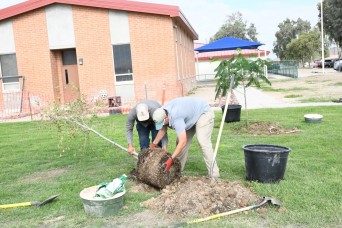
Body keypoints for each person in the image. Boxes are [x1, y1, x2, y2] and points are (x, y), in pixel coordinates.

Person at [151, 97, 219, 178]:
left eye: (162, 123)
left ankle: (214, 175)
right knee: (180, 144)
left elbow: (183, 141)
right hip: (190, 116)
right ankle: (178, 173)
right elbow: (163, 129)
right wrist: (153, 144)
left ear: (166, 118)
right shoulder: (161, 112)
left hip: (203, 113)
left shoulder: (176, 117)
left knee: (203, 142)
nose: (162, 125)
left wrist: (170, 159)